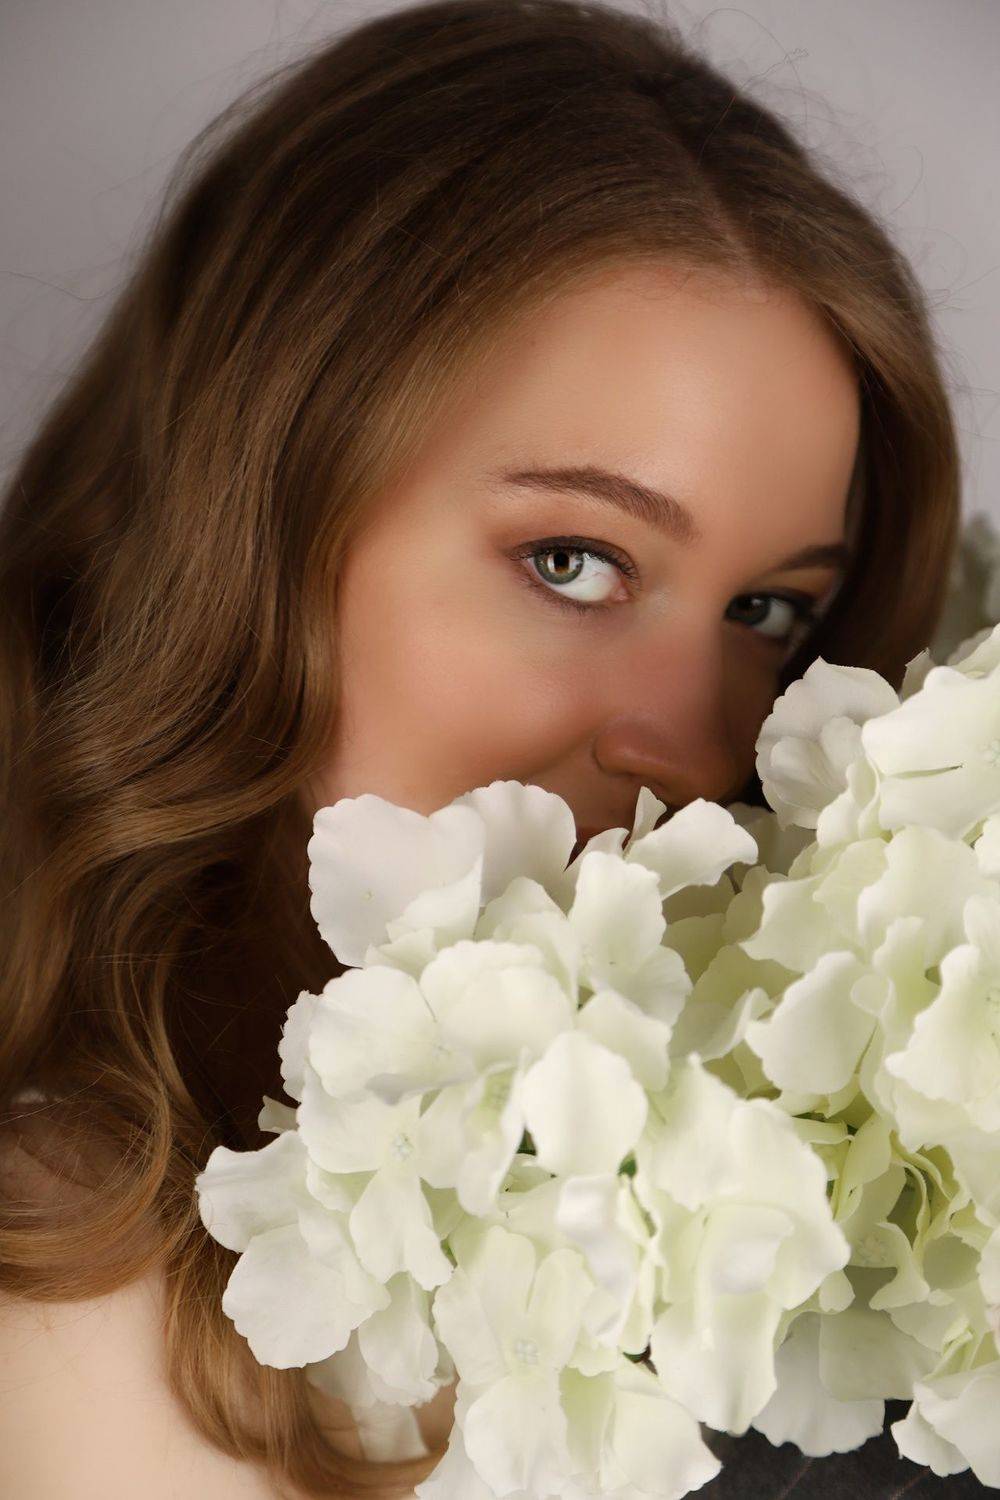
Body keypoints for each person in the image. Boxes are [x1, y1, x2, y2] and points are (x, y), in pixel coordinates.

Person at [0, 1, 977, 1496]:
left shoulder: (756, 1226)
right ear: (257, 513)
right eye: (573, 562)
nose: (696, 744)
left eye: (770, 611)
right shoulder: (61, 1284)